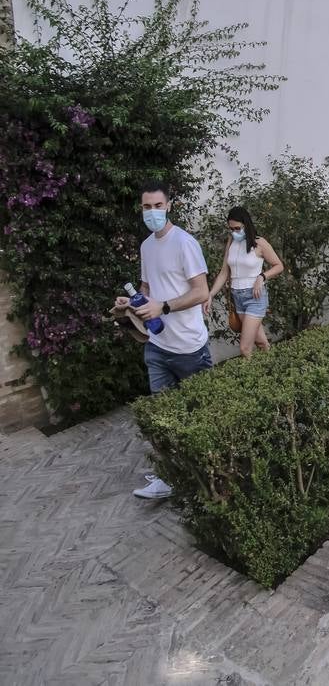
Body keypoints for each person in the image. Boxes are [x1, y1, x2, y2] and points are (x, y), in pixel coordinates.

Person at [112, 181, 211, 500]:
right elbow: (146, 290)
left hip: (189, 347)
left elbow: (201, 292)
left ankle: (207, 474)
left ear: (169, 206)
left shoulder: (184, 243)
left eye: (157, 206)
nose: (151, 212)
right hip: (157, 346)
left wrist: (164, 306)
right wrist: (132, 303)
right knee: (161, 415)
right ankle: (169, 476)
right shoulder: (146, 247)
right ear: (140, 209)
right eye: (146, 207)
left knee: (199, 414)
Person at [206, 206, 284, 358]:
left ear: (246, 224)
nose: (234, 232)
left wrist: (262, 277)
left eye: (237, 228)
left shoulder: (259, 243)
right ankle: (275, 369)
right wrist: (210, 294)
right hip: (238, 297)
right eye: (231, 229)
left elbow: (279, 266)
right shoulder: (231, 241)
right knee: (261, 342)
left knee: (245, 348)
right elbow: (224, 272)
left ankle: (255, 380)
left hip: (254, 297)